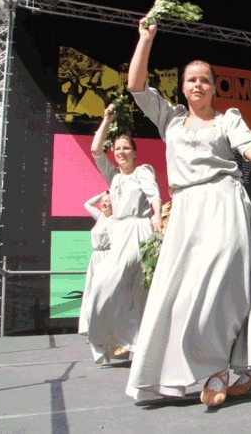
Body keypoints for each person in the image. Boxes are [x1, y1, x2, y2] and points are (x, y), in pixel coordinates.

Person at [125, 17, 251, 408]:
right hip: (186, 209)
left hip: (224, 202)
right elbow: (135, 86)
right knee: (183, 295)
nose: (197, 84)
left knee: (222, 280)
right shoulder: (169, 118)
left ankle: (218, 367)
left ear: (214, 86)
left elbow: (250, 144)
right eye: (190, 79)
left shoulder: (227, 119)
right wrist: (145, 39)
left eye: (204, 79)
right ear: (182, 87)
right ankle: (221, 362)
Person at [87, 106, 163, 363]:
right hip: (120, 232)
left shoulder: (143, 171)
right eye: (117, 148)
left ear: (135, 152)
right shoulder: (114, 178)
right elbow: (96, 150)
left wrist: (156, 215)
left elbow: (154, 194)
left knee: (125, 284)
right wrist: (107, 119)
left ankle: (140, 342)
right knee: (121, 290)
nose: (120, 152)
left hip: (139, 230)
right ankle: (130, 341)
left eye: (126, 148)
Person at [78, 190, 113, 336]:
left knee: (104, 290)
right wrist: (103, 194)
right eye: (102, 202)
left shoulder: (115, 219)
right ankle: (89, 325)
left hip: (108, 256)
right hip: (96, 257)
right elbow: (87, 204)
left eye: (107, 201)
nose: (104, 203)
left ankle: (106, 327)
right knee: (90, 290)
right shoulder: (100, 217)